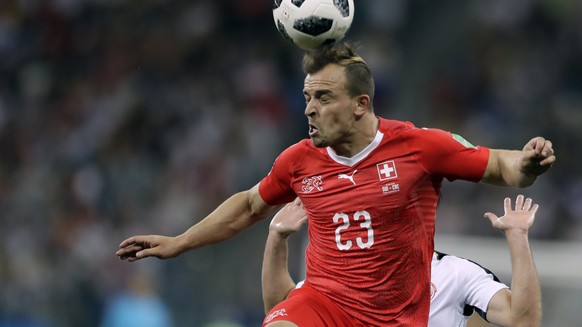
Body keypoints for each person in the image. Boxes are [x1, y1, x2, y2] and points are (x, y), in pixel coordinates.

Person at [116, 43, 555, 326]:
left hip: (395, 317)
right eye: (307, 97)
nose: (310, 109)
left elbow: (502, 165)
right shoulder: (298, 161)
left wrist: (530, 162)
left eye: (323, 98)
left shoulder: (420, 147)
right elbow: (249, 207)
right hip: (326, 303)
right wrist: (179, 242)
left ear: (361, 104)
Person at [262, 196, 542, 327]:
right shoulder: (346, 273)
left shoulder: (457, 274)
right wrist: (277, 237)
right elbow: (282, 311)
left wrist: (518, 236)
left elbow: (523, 319)